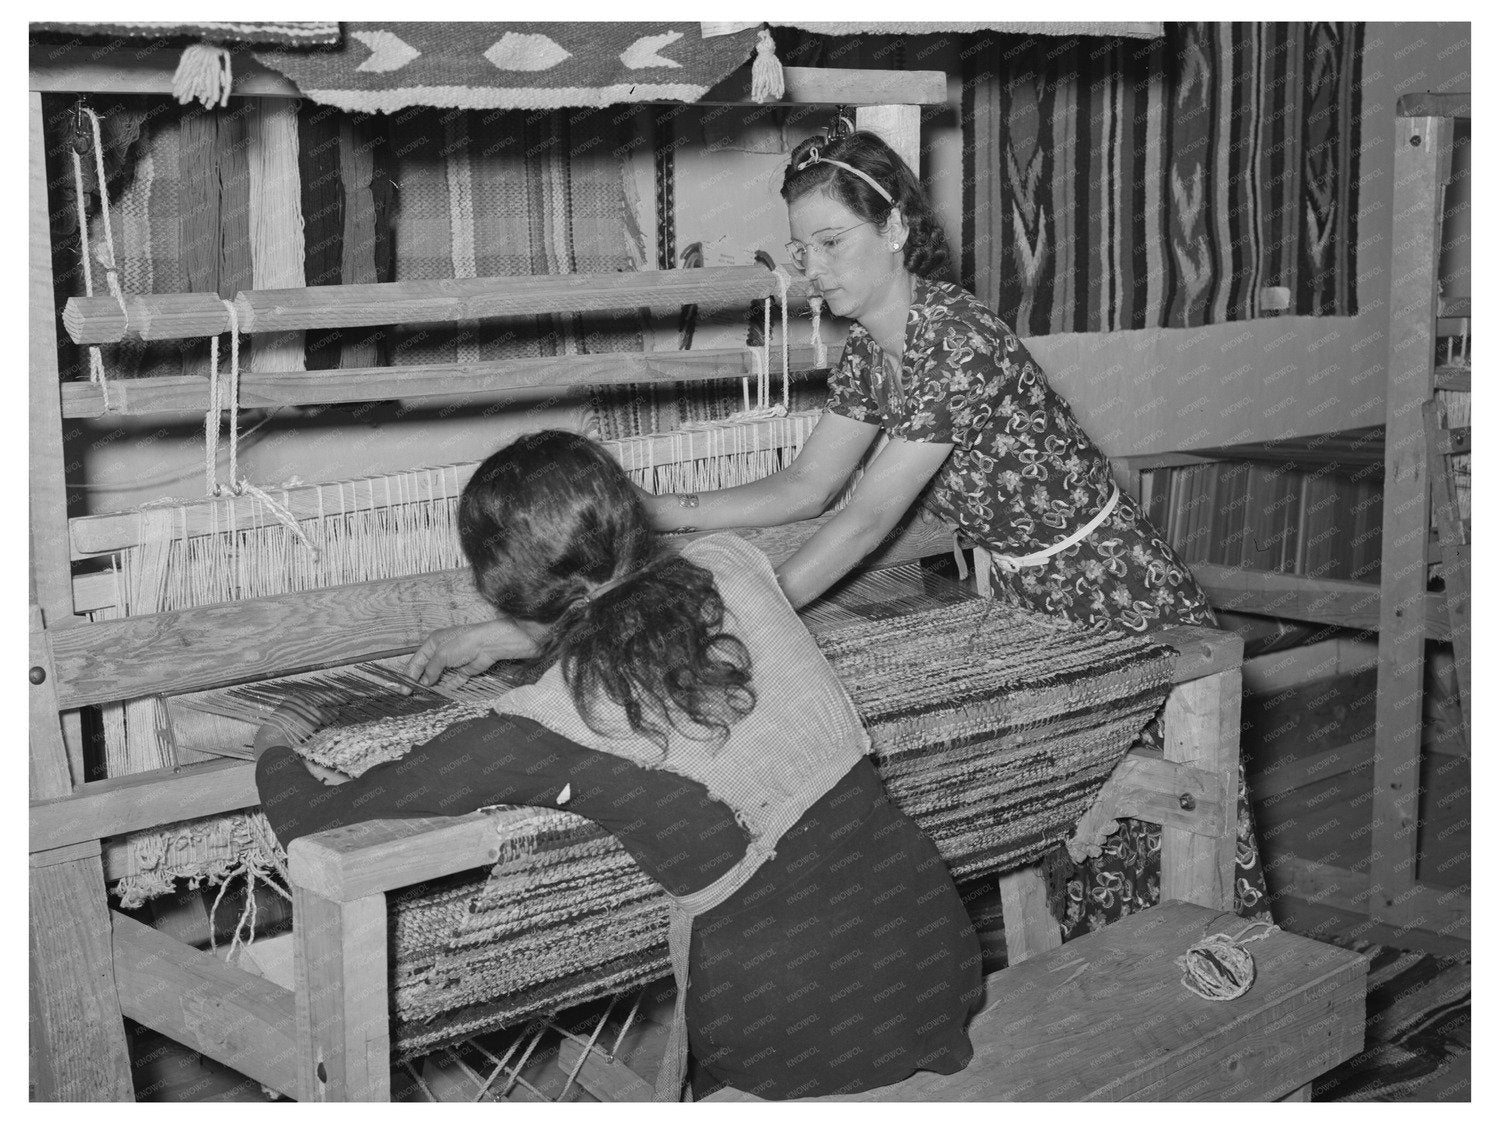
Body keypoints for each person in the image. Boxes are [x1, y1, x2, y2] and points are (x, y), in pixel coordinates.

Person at [410, 131, 1269, 938]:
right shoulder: (868, 350)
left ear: (895, 227)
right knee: (1077, 798)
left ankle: (1201, 980)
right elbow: (808, 485)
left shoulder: (957, 342)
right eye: (802, 250)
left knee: (1147, 802)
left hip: (1111, 588)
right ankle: (1114, 994)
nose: (814, 270)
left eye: (833, 242)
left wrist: (729, 622)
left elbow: (860, 523)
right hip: (1023, 592)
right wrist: (659, 513)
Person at [255, 429, 982, 1101]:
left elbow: (315, 820)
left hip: (791, 1032)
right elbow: (652, 624)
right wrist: (514, 638)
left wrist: (273, 746)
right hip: (934, 958)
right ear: (631, 520)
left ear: (500, 589)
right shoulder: (734, 567)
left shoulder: (536, 729)